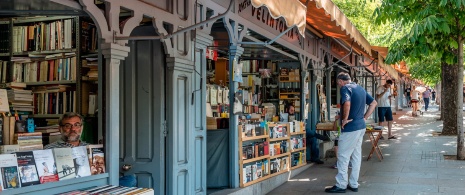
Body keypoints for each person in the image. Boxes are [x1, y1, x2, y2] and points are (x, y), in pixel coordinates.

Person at [44, 112, 137, 187]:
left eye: (77, 125)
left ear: (81, 128)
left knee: (130, 178)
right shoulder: (49, 149)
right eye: (68, 126)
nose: (73, 129)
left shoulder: (90, 147)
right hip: (68, 185)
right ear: (60, 128)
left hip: (93, 183)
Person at [325, 72, 377, 193]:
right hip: (360, 126)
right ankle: (353, 183)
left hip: (350, 128)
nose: (338, 85)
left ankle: (341, 185)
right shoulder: (360, 88)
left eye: (338, 83)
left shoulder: (345, 88)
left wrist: (344, 119)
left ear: (341, 81)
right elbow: (374, 103)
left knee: (343, 156)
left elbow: (347, 103)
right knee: (356, 156)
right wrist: (364, 118)